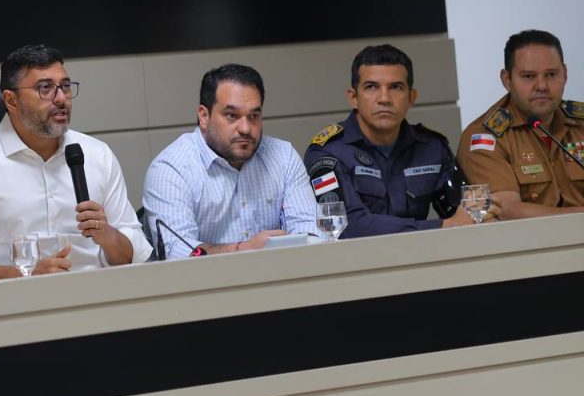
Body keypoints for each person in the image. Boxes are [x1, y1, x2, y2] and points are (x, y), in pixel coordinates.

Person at [0, 44, 151, 284]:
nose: (61, 99)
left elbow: (136, 249)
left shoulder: (98, 155)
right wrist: (24, 276)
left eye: (65, 86)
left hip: (99, 295)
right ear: (11, 101)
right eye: (45, 88)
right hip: (13, 301)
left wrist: (108, 235)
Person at [303, 44, 484, 239]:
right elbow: (342, 227)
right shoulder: (327, 152)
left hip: (423, 254)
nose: (384, 99)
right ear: (353, 97)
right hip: (357, 257)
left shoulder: (432, 148)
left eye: (396, 87)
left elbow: (466, 215)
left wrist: (480, 211)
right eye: (371, 87)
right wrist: (441, 226)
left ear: (411, 98)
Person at [142, 63, 317, 259]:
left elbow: (310, 233)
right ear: (204, 116)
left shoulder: (283, 157)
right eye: (232, 116)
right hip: (204, 279)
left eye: (254, 116)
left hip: (280, 274)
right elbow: (176, 252)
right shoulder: (172, 169)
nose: (245, 128)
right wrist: (242, 250)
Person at [457, 29, 584, 218]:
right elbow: (507, 212)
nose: (542, 86)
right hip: (531, 237)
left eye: (551, 74)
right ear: (507, 80)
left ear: (564, 75)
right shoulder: (484, 138)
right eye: (528, 76)